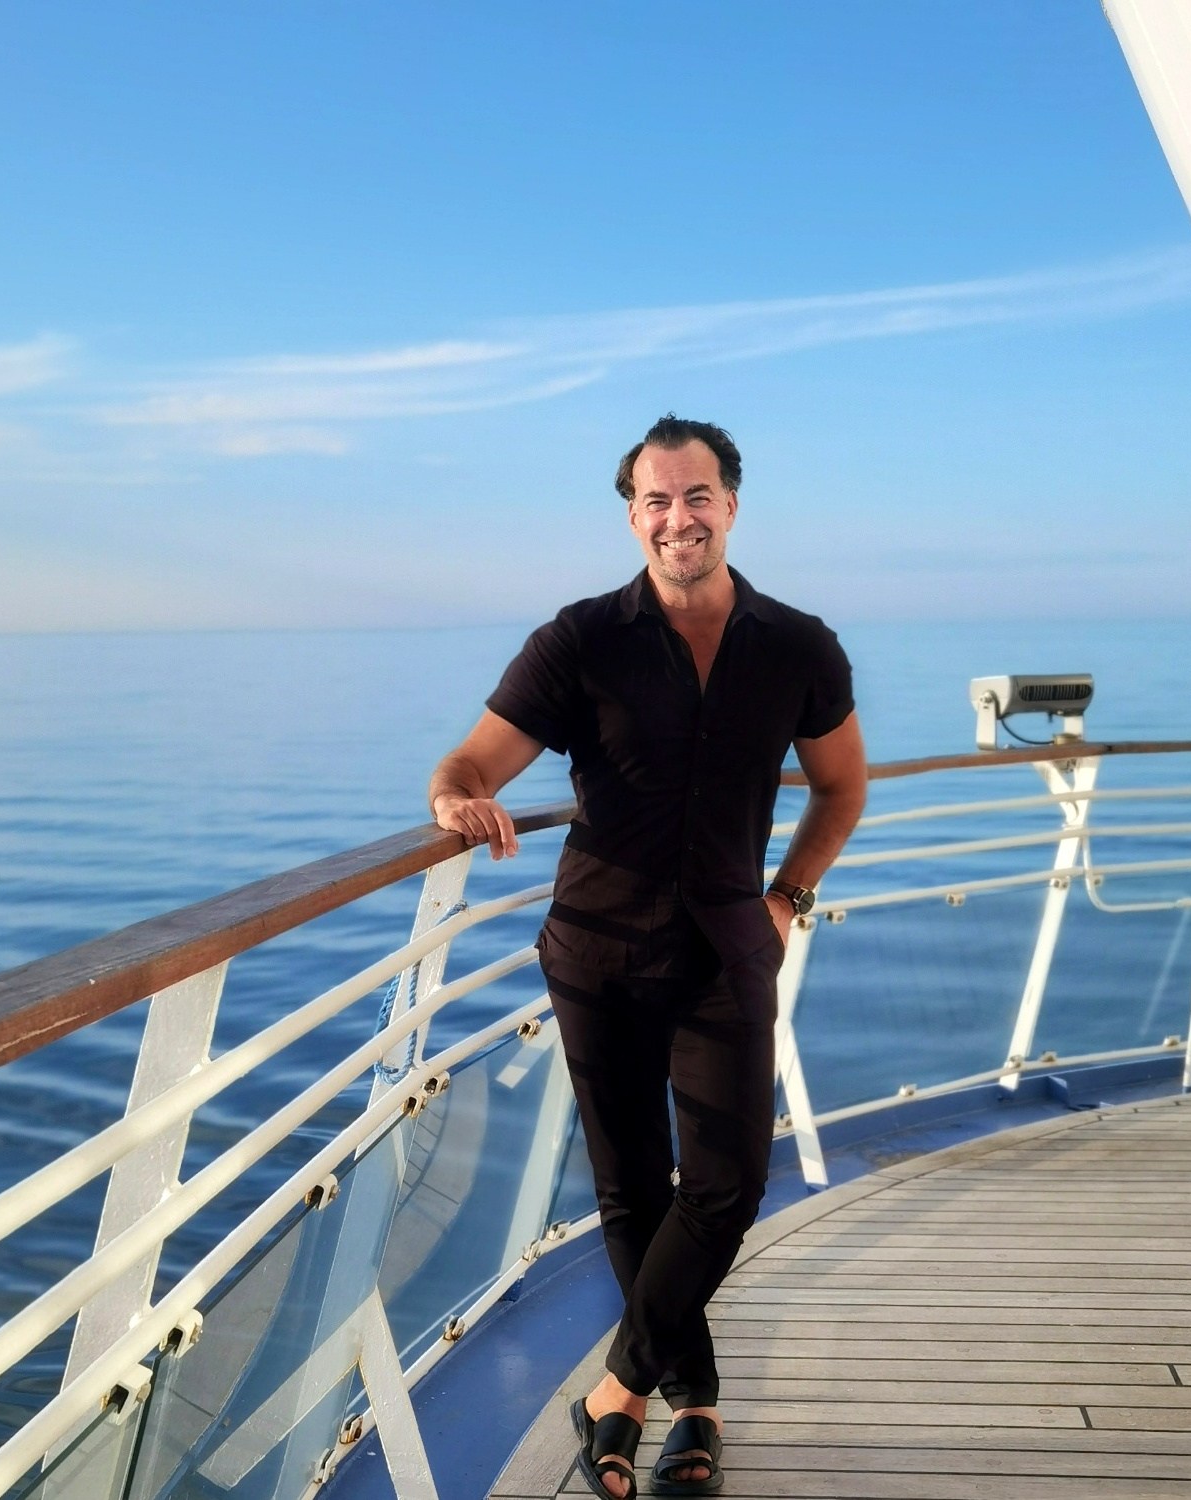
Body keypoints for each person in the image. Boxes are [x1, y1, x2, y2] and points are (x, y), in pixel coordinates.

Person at [428, 415, 866, 1499]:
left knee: (727, 1183)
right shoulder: (579, 640)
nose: (679, 518)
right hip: (598, 948)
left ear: (732, 505)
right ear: (633, 517)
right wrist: (455, 798)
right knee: (631, 1188)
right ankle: (694, 1405)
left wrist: (787, 896)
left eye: (697, 495)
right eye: (656, 500)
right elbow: (473, 762)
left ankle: (614, 1394)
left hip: (728, 945)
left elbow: (842, 786)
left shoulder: (798, 645)